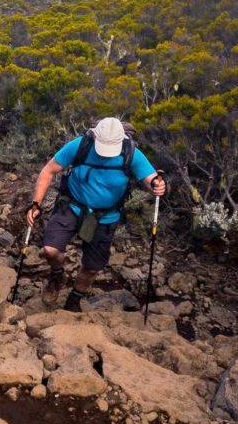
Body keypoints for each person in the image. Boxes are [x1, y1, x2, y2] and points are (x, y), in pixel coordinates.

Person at [24, 117, 166, 311]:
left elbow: (150, 179)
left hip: (106, 216)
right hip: (72, 205)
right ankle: (57, 274)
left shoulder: (130, 152)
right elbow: (48, 171)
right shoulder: (80, 145)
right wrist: (35, 204)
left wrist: (157, 186)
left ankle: (74, 298)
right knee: (50, 250)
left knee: (92, 267)